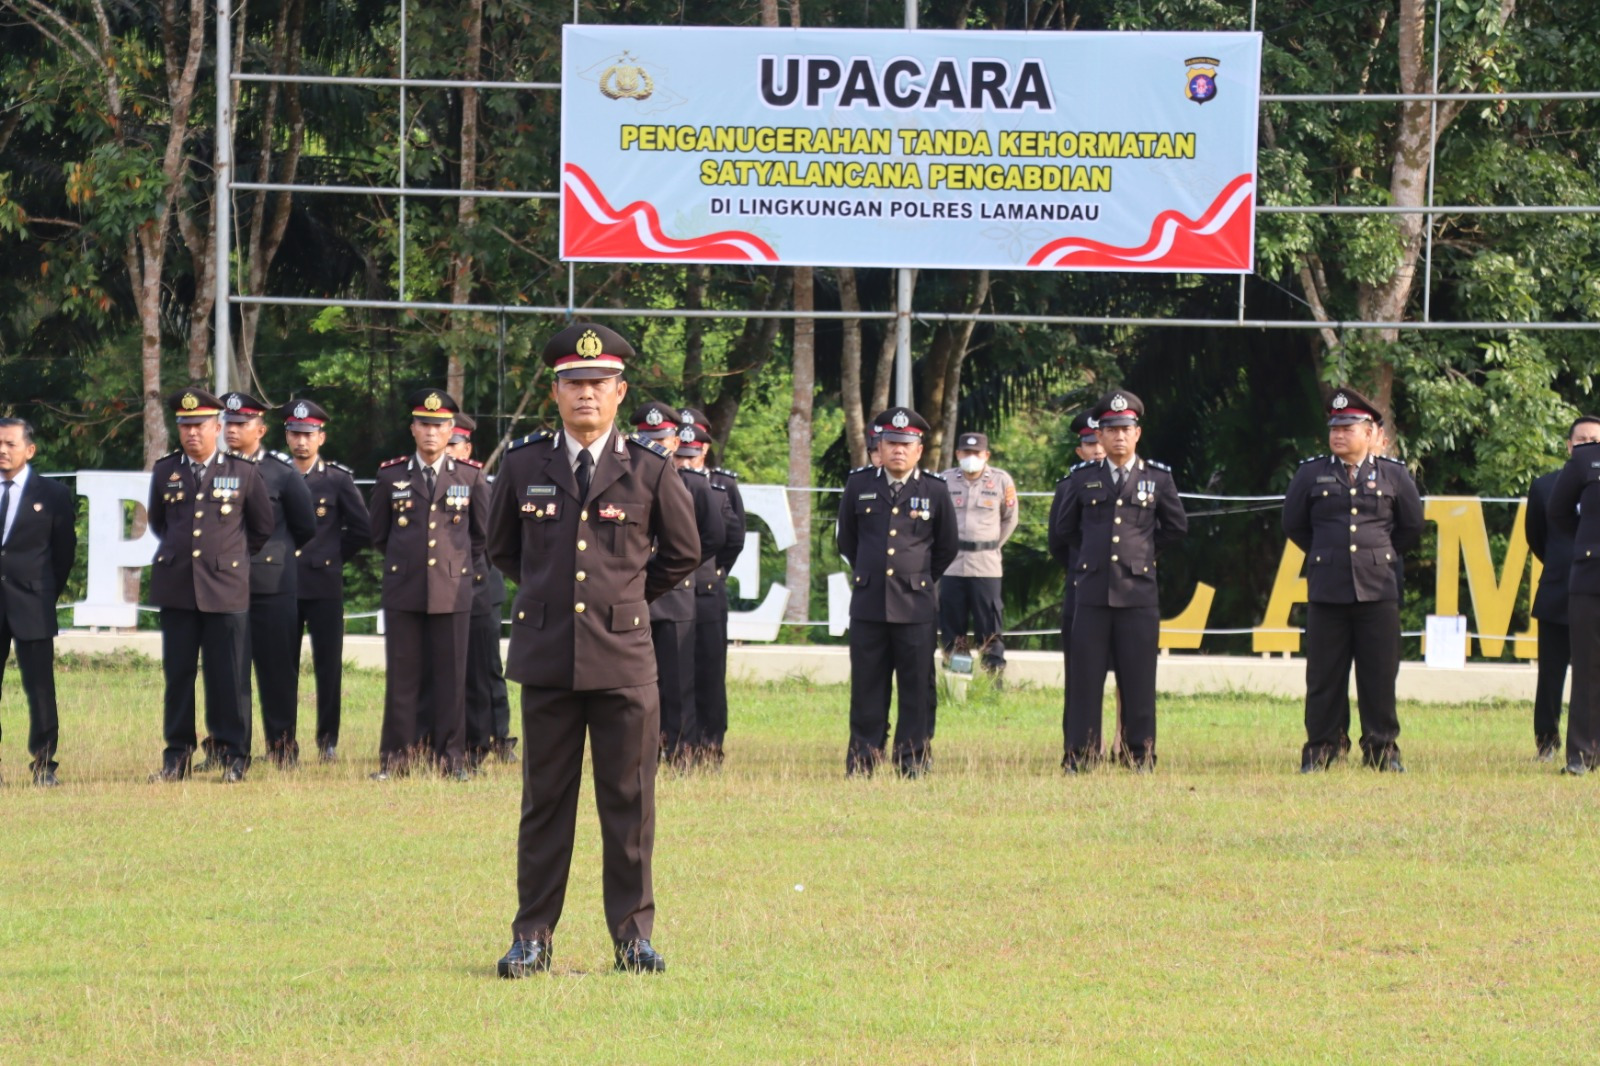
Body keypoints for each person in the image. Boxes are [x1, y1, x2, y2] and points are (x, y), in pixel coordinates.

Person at [489, 322, 699, 977]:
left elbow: (683, 552)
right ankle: (532, 937)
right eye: (574, 383)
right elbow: (502, 548)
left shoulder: (650, 468)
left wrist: (626, 598)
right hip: (548, 658)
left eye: (599, 383)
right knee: (544, 806)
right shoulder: (524, 465)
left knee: (629, 806)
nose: (586, 394)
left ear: (620, 392)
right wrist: (550, 595)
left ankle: (633, 937)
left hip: (624, 661)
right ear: (555, 392)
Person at [1281, 386, 1424, 773]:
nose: (1338, 434)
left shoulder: (1394, 474)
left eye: (1348, 428)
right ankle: (1322, 749)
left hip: (1378, 590)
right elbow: (1294, 524)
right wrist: (1327, 554)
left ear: (1371, 432)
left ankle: (1382, 750)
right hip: (1327, 590)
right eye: (1334, 428)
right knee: (1324, 676)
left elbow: (1411, 526)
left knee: (1379, 676)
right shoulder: (1311, 473)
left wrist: (1381, 555)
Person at [1052, 389, 1188, 773]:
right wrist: (1092, 557)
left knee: (1138, 680)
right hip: (1092, 592)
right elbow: (1066, 529)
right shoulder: (1082, 478)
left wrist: (1141, 556)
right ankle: (1081, 756)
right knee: (1085, 681)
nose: (1119, 437)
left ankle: (1138, 755)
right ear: (1100, 435)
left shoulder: (1157, 478)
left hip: (1137, 593)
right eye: (1111, 430)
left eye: (1126, 429)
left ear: (1137, 433)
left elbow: (1175, 527)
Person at [146, 389, 274, 782]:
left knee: (230, 677)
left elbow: (261, 528)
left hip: (225, 589)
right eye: (185, 426)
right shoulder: (166, 470)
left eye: (199, 425)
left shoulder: (243, 471)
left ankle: (235, 756)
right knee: (178, 677)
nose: (192, 433)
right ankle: (177, 757)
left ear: (217, 428)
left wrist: (227, 558)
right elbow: (159, 523)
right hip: (178, 588)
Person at [368, 389, 488, 780]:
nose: (431, 432)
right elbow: (380, 535)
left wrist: (453, 568)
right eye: (424, 424)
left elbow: (480, 536)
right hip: (405, 588)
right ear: (413, 429)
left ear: (451, 430)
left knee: (451, 679)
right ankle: (396, 759)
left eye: (439, 426)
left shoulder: (470, 476)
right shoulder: (391, 475)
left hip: (451, 591)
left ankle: (451, 759)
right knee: (402, 679)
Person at [835, 406, 959, 778]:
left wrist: (917, 579)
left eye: (906, 444)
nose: (898, 450)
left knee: (916, 688)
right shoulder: (859, 485)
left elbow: (946, 547)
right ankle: (864, 759)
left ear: (919, 450)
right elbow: (848, 541)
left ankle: (912, 760)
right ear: (880, 446)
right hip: (869, 603)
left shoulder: (935, 489)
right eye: (891, 443)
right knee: (867, 687)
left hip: (915, 606)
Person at [217, 392, 316, 768]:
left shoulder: (281, 473)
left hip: (272, 586)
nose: (232, 430)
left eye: (241, 424)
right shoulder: (215, 470)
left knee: (277, 673)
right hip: (224, 585)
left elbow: (305, 527)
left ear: (260, 429)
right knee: (229, 673)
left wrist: (273, 557)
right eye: (228, 423)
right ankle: (231, 750)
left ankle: (282, 748)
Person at [630, 402, 722, 768]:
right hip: (634, 598)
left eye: (662, 439)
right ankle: (642, 748)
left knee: (679, 682)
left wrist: (670, 572)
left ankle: (682, 750)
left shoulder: (694, 484)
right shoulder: (621, 478)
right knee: (638, 683)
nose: (654, 445)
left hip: (676, 594)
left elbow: (713, 537)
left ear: (675, 441)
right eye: (646, 438)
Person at [283, 399, 371, 763]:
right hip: (282, 584)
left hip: (324, 585)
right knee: (282, 666)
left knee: (328, 667)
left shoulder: (337, 479)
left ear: (321, 437)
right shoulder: (275, 474)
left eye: (309, 434)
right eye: (295, 434)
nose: (302, 441)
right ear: (287, 436)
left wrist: (333, 557)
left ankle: (327, 740)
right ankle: (282, 740)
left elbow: (362, 528)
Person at [0, 418, 77, 787]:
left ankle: (44, 764)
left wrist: (45, 594)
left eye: (10, 444)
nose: (2, 451)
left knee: (40, 689)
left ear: (29, 450)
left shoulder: (53, 494)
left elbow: (64, 554)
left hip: (33, 602)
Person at [1048, 411, 1125, 752]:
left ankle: (1125, 740)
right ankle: (1083, 743)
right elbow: (1058, 542)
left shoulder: (1134, 481)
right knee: (1081, 672)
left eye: (1100, 441)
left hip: (1125, 589)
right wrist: (1086, 567)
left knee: (1128, 671)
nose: (1097, 449)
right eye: (1089, 444)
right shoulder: (1070, 485)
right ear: (1080, 450)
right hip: (1082, 590)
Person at [1526, 417, 1600, 761]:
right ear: (1569, 445)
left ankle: (1589, 742)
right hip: (1559, 588)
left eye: (1595, 440)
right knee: (1551, 672)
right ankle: (1547, 739)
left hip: (1593, 586)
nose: (1588, 445)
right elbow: (1537, 537)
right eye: (1582, 440)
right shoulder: (1544, 486)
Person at [447, 412, 517, 768]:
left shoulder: (478, 482)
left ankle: (499, 736)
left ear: (467, 448)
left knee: (486, 668)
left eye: (454, 444)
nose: (448, 450)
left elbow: (491, 539)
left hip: (480, 587)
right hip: (445, 588)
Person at [677, 407, 746, 764]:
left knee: (709, 672)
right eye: (679, 454)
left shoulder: (722, 485)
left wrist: (715, 572)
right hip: (669, 593)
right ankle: (677, 743)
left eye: (692, 454)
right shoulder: (660, 483)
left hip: (706, 591)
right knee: (674, 674)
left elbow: (733, 538)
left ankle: (709, 743)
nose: (685, 462)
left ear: (704, 450)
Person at [938, 431, 1019, 677]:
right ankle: (958, 682)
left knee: (990, 628)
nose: (971, 457)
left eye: (976, 453)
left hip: (986, 565)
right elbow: (937, 520)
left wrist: (990, 545)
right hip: (952, 564)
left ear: (986, 455)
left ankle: (992, 682)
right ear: (957, 454)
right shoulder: (944, 480)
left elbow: (1010, 519)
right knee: (954, 630)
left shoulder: (1001, 480)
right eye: (966, 452)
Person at [1548, 419, 1600, 776]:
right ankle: (1582, 755)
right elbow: (1558, 511)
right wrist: (1587, 544)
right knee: (1588, 668)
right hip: (1592, 575)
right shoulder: (1585, 460)